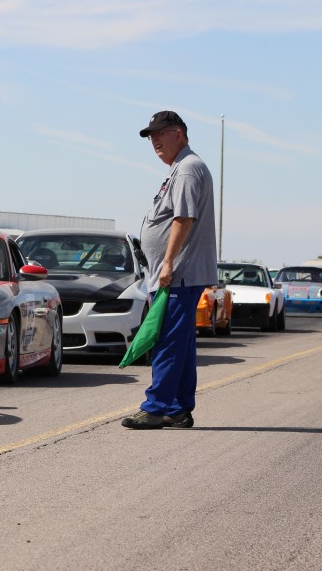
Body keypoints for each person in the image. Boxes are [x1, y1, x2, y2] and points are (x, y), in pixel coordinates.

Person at [122, 110, 217, 430]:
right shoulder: (181, 168)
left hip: (179, 274)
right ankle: (177, 409)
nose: (154, 141)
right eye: (151, 136)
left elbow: (183, 219)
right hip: (178, 273)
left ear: (178, 133)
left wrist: (167, 263)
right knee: (180, 344)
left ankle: (155, 407)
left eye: (159, 134)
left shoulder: (188, 169)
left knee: (167, 341)